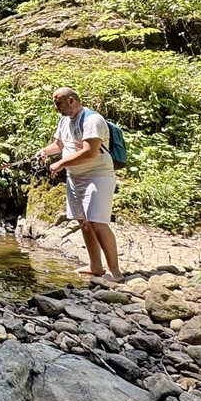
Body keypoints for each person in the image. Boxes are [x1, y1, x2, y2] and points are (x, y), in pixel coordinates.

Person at [35, 87, 123, 281]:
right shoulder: (64, 120)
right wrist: (44, 152)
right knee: (83, 222)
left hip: (98, 176)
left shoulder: (92, 120)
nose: (55, 107)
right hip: (75, 178)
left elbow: (90, 152)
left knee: (97, 222)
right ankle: (95, 267)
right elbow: (59, 145)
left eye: (58, 102)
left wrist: (60, 163)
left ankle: (115, 272)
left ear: (71, 100)